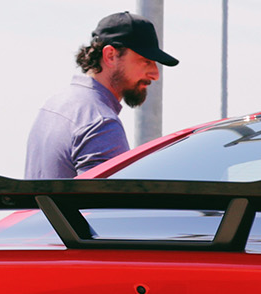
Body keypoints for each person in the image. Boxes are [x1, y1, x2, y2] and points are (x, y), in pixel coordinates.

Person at [24, 12, 179, 179]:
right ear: (110, 55)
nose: (155, 74)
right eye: (146, 61)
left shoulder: (53, 105)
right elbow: (102, 204)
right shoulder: (101, 122)